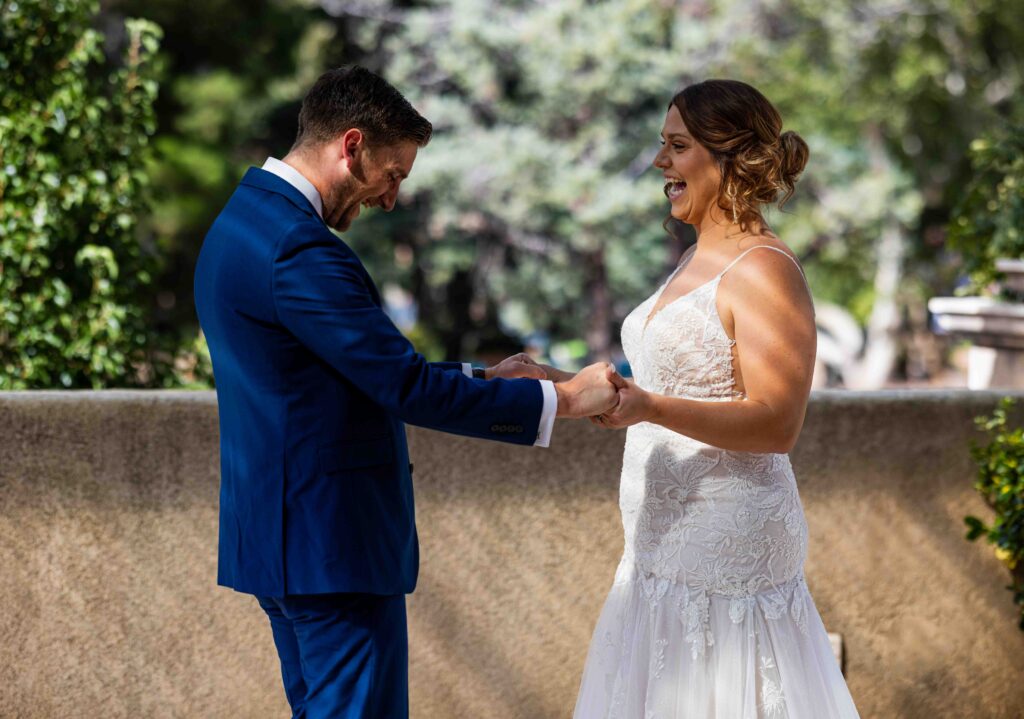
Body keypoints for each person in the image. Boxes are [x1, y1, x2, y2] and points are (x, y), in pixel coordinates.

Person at [193, 65, 619, 719]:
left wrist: (484, 377)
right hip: (330, 551)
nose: (391, 198)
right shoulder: (299, 250)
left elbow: (346, 371)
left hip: (282, 544)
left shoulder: (241, 224)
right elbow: (402, 386)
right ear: (352, 145)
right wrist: (563, 400)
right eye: (393, 175)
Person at [563, 80, 861, 718]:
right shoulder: (698, 256)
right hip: (658, 546)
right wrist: (561, 384)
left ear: (729, 158)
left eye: (677, 146)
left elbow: (778, 421)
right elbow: (668, 382)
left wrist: (649, 407)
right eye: (661, 145)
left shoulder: (763, 268)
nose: (659, 162)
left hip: (726, 553)